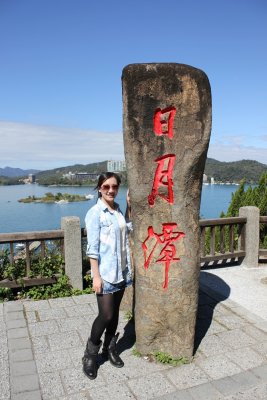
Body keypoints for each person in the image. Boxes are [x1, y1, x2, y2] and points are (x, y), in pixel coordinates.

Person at [83, 172, 132, 380]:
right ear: (99, 188)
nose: (111, 190)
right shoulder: (95, 213)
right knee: (106, 315)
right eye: (106, 187)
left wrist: (129, 207)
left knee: (115, 313)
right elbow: (92, 249)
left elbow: (128, 229)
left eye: (114, 186)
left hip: (121, 270)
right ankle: (90, 355)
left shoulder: (118, 209)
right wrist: (96, 276)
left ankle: (110, 348)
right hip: (105, 273)